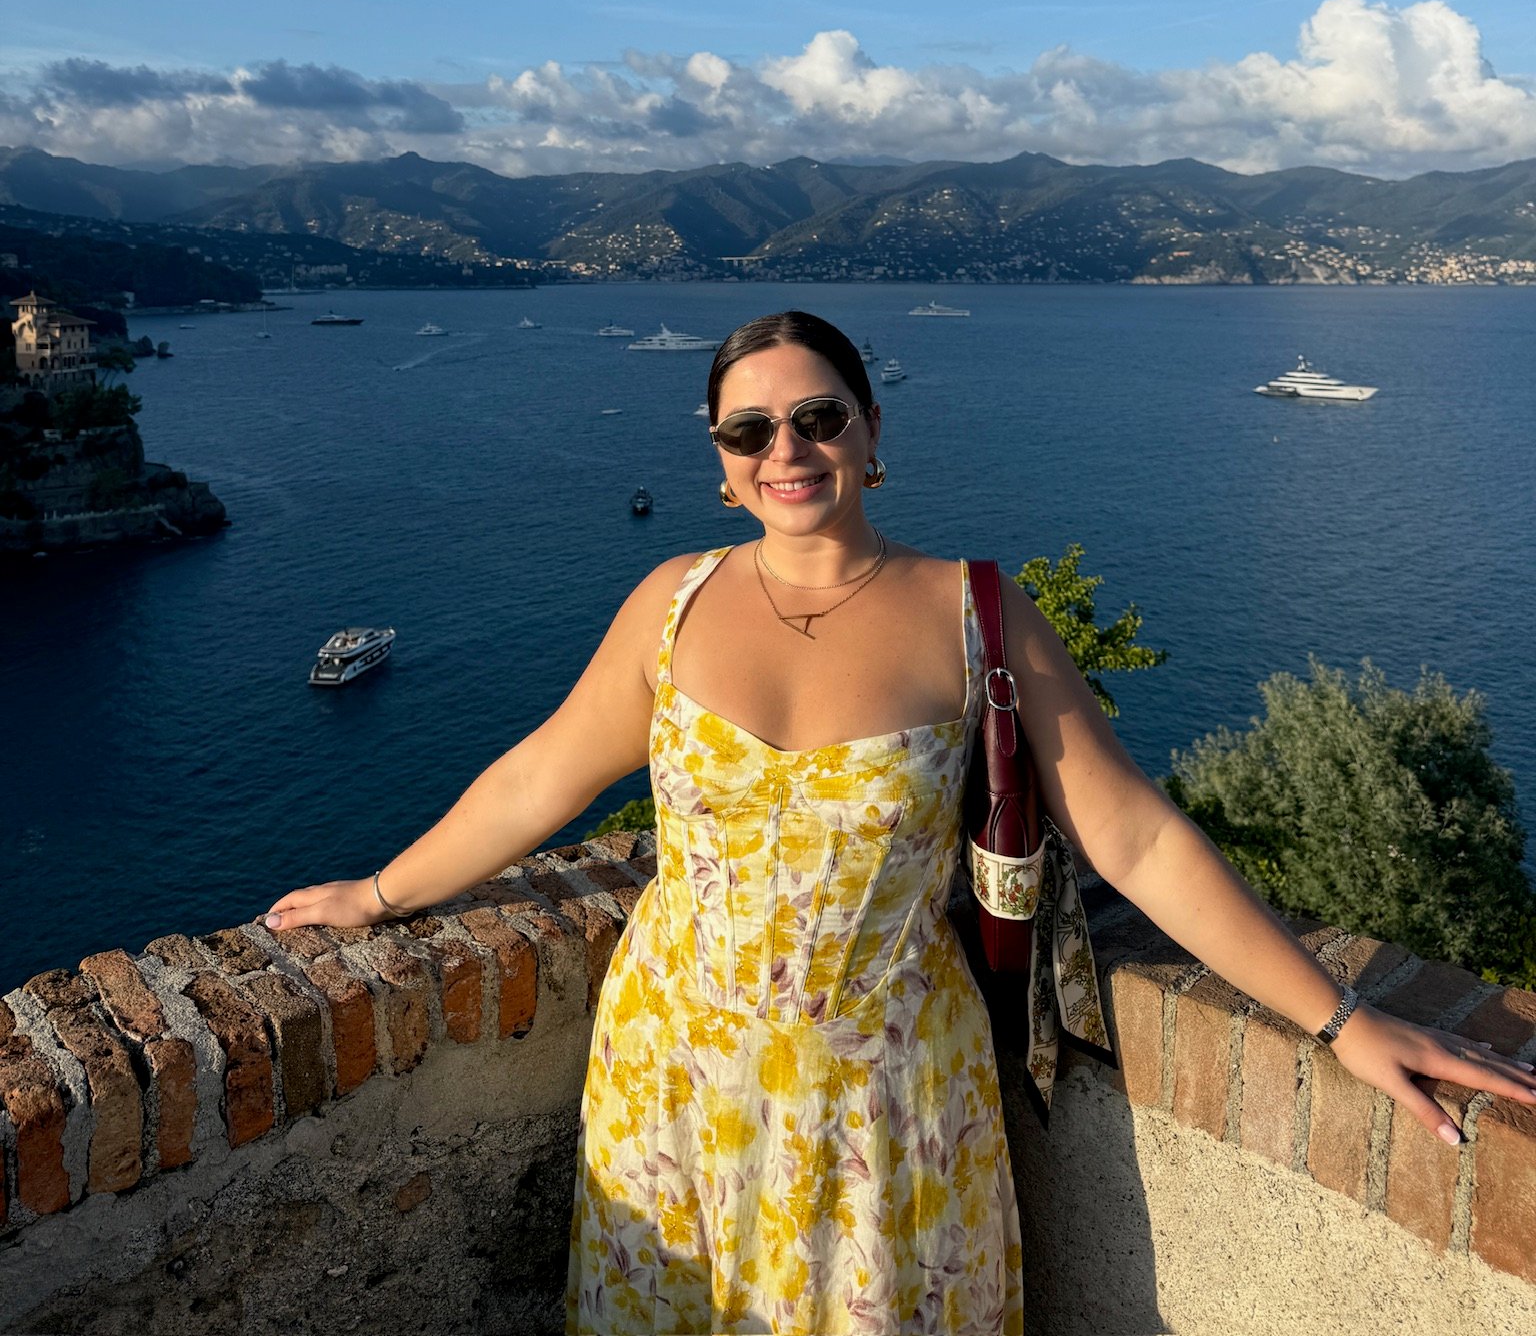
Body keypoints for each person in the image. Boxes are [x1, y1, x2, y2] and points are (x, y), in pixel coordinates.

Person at [265, 307, 1536, 1336]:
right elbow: (543, 776)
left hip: (882, 1100)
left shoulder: (974, 611)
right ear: (719, 463)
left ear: (873, 435)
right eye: (751, 426)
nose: (788, 445)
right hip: (671, 1079)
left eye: (819, 415)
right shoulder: (671, 603)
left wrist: (1345, 1016)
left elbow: (1136, 838)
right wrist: (377, 896)